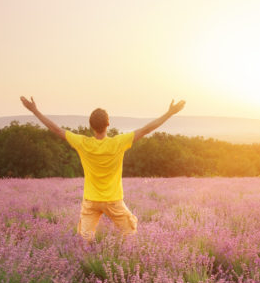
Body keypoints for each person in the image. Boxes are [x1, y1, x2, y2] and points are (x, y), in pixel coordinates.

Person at [21, 96, 185, 241]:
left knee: (84, 240)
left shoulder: (82, 143)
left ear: (91, 126)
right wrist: (170, 113)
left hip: (91, 201)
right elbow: (147, 129)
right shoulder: (118, 143)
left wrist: (34, 110)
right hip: (113, 200)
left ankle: (86, 269)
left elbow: (55, 129)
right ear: (108, 124)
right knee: (130, 233)